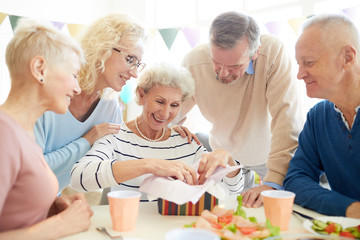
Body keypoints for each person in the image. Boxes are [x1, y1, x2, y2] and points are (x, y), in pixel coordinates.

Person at [34, 14, 197, 193]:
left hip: (47, 201)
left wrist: (166, 129)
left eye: (138, 64)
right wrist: (87, 140)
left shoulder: (108, 105)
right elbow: (32, 168)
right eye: (130, 60)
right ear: (102, 47)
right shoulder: (48, 93)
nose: (135, 73)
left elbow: (125, 147)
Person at [173, 11, 304, 207]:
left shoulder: (273, 52)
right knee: (229, 211)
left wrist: (274, 182)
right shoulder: (193, 62)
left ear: (255, 52)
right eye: (216, 62)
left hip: (269, 153)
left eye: (234, 65)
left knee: (279, 208)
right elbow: (170, 111)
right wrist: (168, 129)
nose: (223, 73)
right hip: (224, 156)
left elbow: (287, 118)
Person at [70, 62, 243, 200]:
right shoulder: (115, 137)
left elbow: (232, 190)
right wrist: (149, 165)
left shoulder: (186, 141)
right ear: (142, 95)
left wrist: (227, 159)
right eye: (160, 102)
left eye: (174, 105)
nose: (166, 113)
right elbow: (79, 178)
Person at [0, 18, 92, 239]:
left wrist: (51, 208)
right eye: (74, 74)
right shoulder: (4, 133)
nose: (78, 88)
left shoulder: (24, 133)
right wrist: (62, 224)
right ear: (39, 68)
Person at [283, 14, 360, 218]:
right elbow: (296, 180)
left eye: (309, 62)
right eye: (299, 64)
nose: (300, 74)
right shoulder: (318, 117)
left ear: (347, 58)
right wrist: (349, 209)